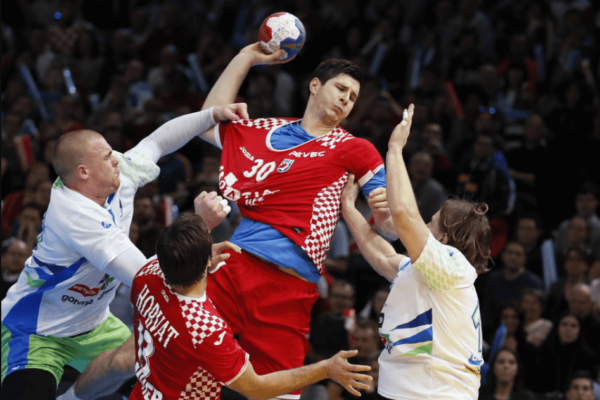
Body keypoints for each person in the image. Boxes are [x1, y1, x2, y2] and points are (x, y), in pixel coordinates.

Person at [1, 103, 245, 400]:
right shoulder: (76, 216)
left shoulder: (118, 173)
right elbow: (145, 276)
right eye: (107, 157)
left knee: (153, 371)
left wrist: (212, 114)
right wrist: (199, 227)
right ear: (84, 172)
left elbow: (157, 141)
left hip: (94, 324)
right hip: (36, 331)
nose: (117, 159)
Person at [197, 43, 397, 399]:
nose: (346, 100)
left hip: (289, 291)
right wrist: (246, 57)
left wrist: (383, 214)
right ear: (316, 85)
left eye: (352, 97)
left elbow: (391, 227)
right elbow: (206, 121)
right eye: (340, 89)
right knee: (181, 362)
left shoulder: (355, 148)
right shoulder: (267, 131)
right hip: (235, 267)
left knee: (282, 395)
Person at [129, 213, 372, 400]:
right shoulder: (205, 329)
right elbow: (257, 388)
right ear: (206, 260)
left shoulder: (145, 276)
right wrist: (326, 369)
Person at [341, 105, 492, 399]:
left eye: (430, 222)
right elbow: (383, 256)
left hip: (435, 393)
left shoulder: (453, 266)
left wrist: (395, 149)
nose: (423, 224)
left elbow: (404, 215)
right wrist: (349, 209)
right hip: (411, 390)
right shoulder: (432, 272)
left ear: (445, 238)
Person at [483, 241, 543, 325]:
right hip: (494, 328)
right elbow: (487, 310)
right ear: (503, 255)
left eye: (518, 254)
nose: (513, 257)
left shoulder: (534, 282)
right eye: (510, 252)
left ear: (525, 258)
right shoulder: (493, 278)